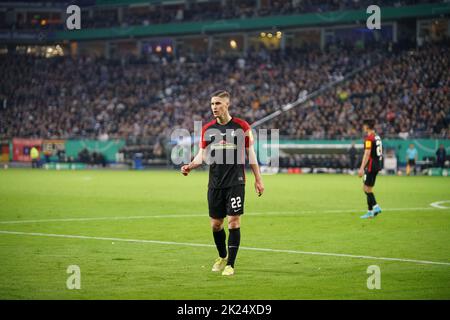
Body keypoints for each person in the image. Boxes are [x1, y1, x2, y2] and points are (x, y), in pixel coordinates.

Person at [181, 90, 264, 276]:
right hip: (215, 183)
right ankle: (222, 255)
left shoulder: (242, 126)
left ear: (227, 104)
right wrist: (190, 166)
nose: (214, 107)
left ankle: (231, 265)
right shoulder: (207, 129)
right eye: (212, 104)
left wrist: (258, 179)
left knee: (234, 221)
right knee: (216, 225)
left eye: (217, 103)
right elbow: (201, 155)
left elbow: (251, 154)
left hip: (236, 182)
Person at [358, 119, 383, 219]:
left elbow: (367, 153)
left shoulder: (369, 139)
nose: (363, 127)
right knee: (369, 188)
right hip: (377, 165)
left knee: (365, 188)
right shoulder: (377, 137)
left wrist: (361, 168)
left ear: (367, 127)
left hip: (371, 166)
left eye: (364, 125)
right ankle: (370, 211)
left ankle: (376, 207)